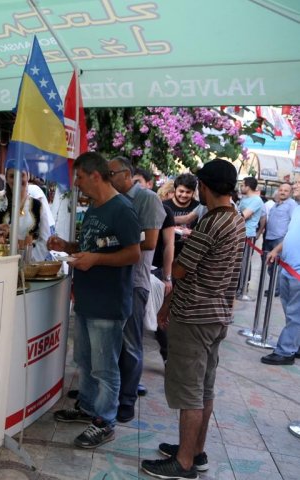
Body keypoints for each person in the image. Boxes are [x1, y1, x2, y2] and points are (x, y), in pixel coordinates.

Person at [141, 159, 245, 480]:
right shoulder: (236, 220)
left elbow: (182, 270)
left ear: (205, 185)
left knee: (189, 390)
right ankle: (194, 451)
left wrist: (166, 304)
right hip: (217, 313)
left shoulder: (212, 222)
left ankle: (183, 463)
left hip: (195, 314)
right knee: (204, 388)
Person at [48, 152, 140, 449]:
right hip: (87, 299)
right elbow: (91, 246)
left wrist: (95, 259)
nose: (76, 183)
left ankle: (105, 421)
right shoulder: (95, 208)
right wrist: (68, 246)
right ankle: (87, 407)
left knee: (104, 367)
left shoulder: (122, 209)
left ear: (95, 176)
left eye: (79, 177)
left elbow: (133, 253)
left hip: (108, 303)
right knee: (85, 361)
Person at [109, 158, 166, 423]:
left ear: (127, 174)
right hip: (109, 278)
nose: (107, 178)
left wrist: (107, 243)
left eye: (111, 173)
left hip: (134, 281)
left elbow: (150, 240)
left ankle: (127, 399)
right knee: (109, 342)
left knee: (131, 345)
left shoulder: (148, 199)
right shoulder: (110, 199)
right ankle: (108, 392)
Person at [139, 169, 176, 363]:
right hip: (136, 271)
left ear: (149, 184)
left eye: (139, 182)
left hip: (157, 270)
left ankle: (168, 357)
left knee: (159, 317)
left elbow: (169, 244)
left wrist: (167, 276)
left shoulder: (164, 210)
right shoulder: (127, 207)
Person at [260, 205, 300, 365]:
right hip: (288, 266)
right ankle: (295, 344)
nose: (297, 185)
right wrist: (276, 250)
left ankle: (285, 350)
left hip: (297, 272)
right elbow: (292, 235)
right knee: (291, 311)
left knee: (295, 313)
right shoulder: (297, 209)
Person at [0, 165, 52, 262]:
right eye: (12, 176)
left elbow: (45, 239)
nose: (17, 180)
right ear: (6, 179)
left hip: (30, 263)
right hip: (3, 262)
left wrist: (29, 259)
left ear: (27, 177)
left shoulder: (38, 206)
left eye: (21, 175)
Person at [263, 183, 296, 297]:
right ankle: (274, 287)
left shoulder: (292, 205)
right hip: (269, 238)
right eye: (281, 190)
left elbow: (294, 223)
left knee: (278, 267)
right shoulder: (276, 204)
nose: (282, 192)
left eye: (286, 191)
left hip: (280, 240)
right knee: (270, 266)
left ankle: (276, 290)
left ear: (290, 192)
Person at [236, 177, 265, 299]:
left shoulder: (256, 200)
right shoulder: (244, 199)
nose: (241, 187)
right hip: (239, 234)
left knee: (244, 263)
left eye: (243, 185)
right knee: (237, 262)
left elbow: (243, 216)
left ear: (248, 186)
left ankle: (242, 290)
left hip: (248, 235)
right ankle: (237, 288)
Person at [165, 173, 199, 258]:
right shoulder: (164, 206)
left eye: (188, 192)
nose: (184, 195)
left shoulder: (198, 207)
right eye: (181, 191)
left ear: (193, 192)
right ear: (175, 189)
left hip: (188, 255)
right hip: (165, 253)